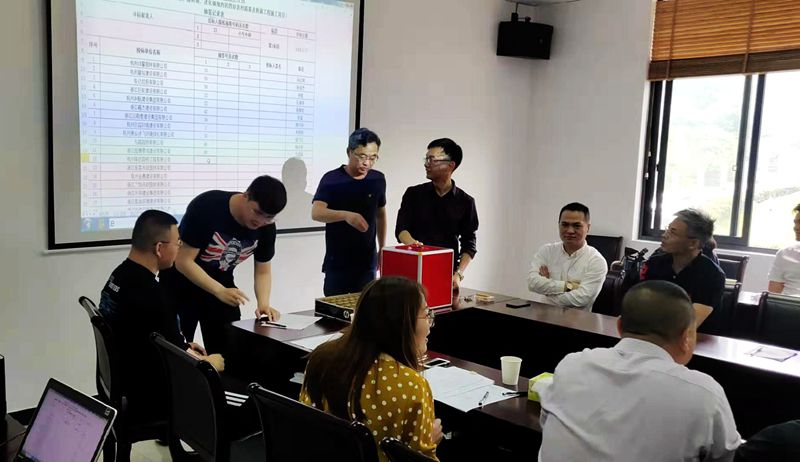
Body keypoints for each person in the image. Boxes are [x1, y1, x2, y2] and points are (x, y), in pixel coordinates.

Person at [539, 280, 741, 462]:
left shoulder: (572, 364)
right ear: (687, 336)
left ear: (619, 326)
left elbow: (547, 423)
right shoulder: (704, 393)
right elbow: (726, 456)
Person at [98, 210, 224, 420]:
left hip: (125, 375)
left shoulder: (119, 275)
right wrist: (210, 362)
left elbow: (146, 329)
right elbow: (180, 358)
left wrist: (183, 344)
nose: (179, 248)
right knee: (223, 385)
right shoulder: (154, 296)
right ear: (159, 248)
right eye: (178, 243)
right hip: (149, 391)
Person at [300, 277, 442, 462]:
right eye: (426, 314)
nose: (430, 323)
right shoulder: (412, 386)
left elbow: (306, 428)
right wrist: (429, 440)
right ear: (402, 322)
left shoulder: (321, 359)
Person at [164, 175, 287, 354]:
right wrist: (219, 290)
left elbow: (263, 271)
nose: (260, 221)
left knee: (229, 349)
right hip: (180, 282)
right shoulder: (207, 207)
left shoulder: (266, 227)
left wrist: (263, 304)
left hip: (221, 282)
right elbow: (183, 261)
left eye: (268, 217)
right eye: (257, 212)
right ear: (246, 196)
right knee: (179, 349)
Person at [395, 138, 479, 290]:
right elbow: (401, 229)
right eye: (426, 159)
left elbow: (469, 243)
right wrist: (414, 246)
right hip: (412, 270)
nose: (426, 164)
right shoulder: (414, 194)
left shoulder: (466, 202)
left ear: (450, 165)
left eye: (432, 160)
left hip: (445, 273)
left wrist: (459, 274)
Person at [312, 128, 387, 296]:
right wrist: (346, 215)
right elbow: (316, 212)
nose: (367, 163)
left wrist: (382, 248)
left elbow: (380, 214)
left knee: (365, 307)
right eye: (362, 156)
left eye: (373, 157)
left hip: (367, 263)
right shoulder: (332, 179)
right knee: (335, 309)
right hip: (338, 263)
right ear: (349, 152)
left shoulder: (377, 179)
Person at [639, 208, 724, 325]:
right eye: (667, 229)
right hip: (652, 330)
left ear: (693, 243)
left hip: (695, 334)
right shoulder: (654, 263)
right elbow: (640, 304)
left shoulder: (712, 275)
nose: (664, 235)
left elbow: (690, 324)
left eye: (673, 232)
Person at [526, 203, 608, 310]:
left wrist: (547, 291)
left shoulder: (596, 261)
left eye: (577, 226)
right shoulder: (547, 251)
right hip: (543, 316)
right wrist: (569, 286)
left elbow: (581, 299)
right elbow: (532, 283)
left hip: (576, 320)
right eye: (564, 225)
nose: (570, 231)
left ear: (588, 228)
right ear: (558, 225)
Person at [768, 203, 800, 296]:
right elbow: (773, 294)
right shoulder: (784, 253)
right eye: (795, 222)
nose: (795, 227)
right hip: (786, 304)